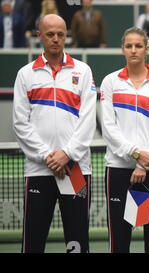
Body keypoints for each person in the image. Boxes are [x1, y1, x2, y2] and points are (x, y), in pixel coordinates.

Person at [12, 14, 96, 253]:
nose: (56, 39)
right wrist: (49, 156)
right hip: (39, 169)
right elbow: (20, 123)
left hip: (76, 168)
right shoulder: (25, 74)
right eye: (50, 34)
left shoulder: (84, 71)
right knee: (33, 241)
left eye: (61, 34)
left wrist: (67, 154)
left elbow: (88, 120)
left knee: (77, 241)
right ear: (39, 36)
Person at [100, 27, 149, 253]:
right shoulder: (110, 82)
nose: (133, 50)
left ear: (147, 48)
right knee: (120, 241)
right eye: (129, 46)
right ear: (122, 49)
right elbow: (108, 127)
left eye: (138, 46)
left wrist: (143, 163)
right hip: (119, 169)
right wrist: (134, 153)